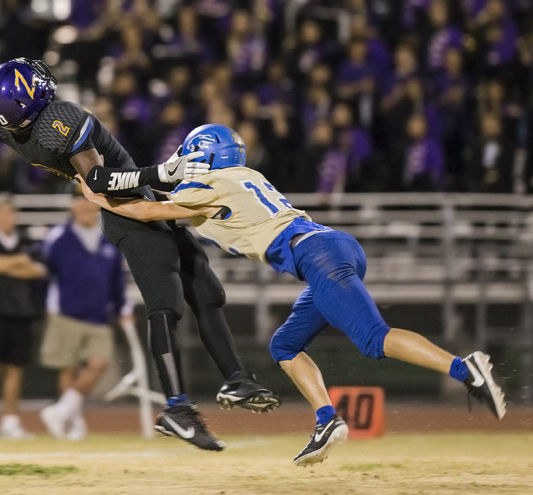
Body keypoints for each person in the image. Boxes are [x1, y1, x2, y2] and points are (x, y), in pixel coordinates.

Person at [77, 123, 507, 467]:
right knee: (284, 345)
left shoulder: (214, 185)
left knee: (374, 339)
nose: (183, 163)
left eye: (190, 155)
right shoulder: (238, 178)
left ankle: (464, 368)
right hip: (330, 248)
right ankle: (326, 420)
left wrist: (100, 197)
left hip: (316, 255)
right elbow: (174, 200)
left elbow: (152, 208)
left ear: (204, 154)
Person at [0, 44, 280, 452]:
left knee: (205, 290)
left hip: (145, 199)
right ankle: (176, 408)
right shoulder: (58, 119)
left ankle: (235, 379)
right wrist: (162, 172)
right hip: (128, 211)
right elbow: (100, 181)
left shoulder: (13, 126)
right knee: (166, 303)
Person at [39, 193, 130, 440]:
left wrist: (123, 308)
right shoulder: (58, 237)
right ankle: (73, 421)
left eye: (87, 200)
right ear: (72, 205)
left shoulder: (108, 237)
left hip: (99, 314)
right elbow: (44, 274)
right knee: (68, 368)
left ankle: (62, 411)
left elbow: (117, 280)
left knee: (98, 363)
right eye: (78, 200)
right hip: (66, 313)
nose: (83, 206)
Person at [0, 194, 47, 440]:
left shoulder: (26, 241)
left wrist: (8, 265)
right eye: (0, 212)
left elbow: (37, 271)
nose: (5, 217)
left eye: (9, 212)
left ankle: (10, 422)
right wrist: (19, 263)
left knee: (16, 369)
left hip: (22, 313)